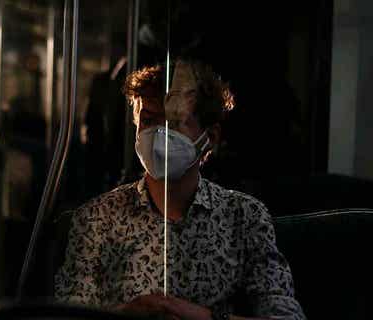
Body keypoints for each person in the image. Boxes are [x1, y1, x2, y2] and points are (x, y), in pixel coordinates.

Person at [54, 59, 306, 320]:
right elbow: (65, 314)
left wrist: (203, 317)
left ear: (211, 137)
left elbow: (286, 317)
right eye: (148, 120)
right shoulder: (97, 219)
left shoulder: (244, 218)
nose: (159, 134)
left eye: (174, 123)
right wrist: (125, 314)